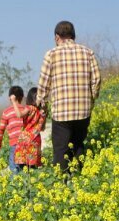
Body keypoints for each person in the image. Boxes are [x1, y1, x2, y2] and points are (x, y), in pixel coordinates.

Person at [36, 21, 101, 175]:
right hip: (83, 110)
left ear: (57, 37)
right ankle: (80, 176)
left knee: (61, 149)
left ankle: (63, 181)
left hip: (61, 112)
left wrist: (42, 103)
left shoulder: (51, 54)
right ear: (73, 36)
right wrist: (91, 99)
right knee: (78, 144)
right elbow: (96, 80)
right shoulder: (88, 52)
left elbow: (44, 84)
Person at [11, 87, 46, 169]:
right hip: (36, 139)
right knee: (33, 165)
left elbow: (19, 115)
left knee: (23, 165)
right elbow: (43, 128)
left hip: (25, 139)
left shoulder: (29, 108)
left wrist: (14, 102)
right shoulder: (42, 112)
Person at [0, 85, 26, 173]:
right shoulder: (25, 110)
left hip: (15, 144)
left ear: (10, 98)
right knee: (27, 167)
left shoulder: (6, 112)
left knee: (15, 169)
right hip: (27, 143)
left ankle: (17, 184)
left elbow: (1, 130)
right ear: (22, 97)